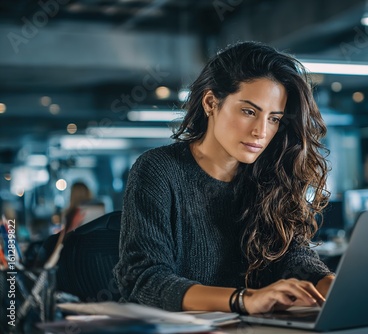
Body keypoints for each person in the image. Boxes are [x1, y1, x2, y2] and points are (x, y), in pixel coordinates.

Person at [113, 41, 335, 315]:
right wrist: (244, 299)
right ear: (210, 102)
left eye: (274, 118)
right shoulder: (158, 170)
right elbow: (144, 278)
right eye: (249, 112)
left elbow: (289, 254)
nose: (261, 131)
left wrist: (327, 283)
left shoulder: (271, 173)